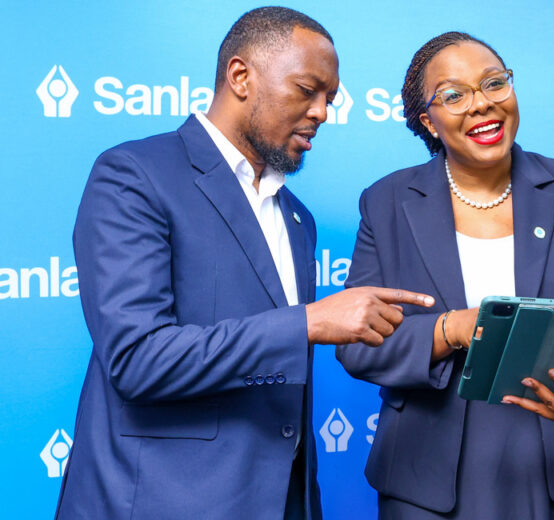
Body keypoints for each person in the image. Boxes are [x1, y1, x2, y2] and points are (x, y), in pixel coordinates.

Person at [56, 7, 433, 520]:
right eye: (307, 89)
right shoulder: (134, 176)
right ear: (240, 76)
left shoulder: (297, 218)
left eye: (330, 99)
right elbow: (137, 359)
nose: (322, 112)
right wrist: (309, 321)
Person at [335, 32, 554, 519]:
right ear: (428, 120)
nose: (482, 105)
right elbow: (355, 343)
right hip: (426, 478)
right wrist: (451, 329)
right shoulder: (386, 202)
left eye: (494, 84)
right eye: (454, 95)